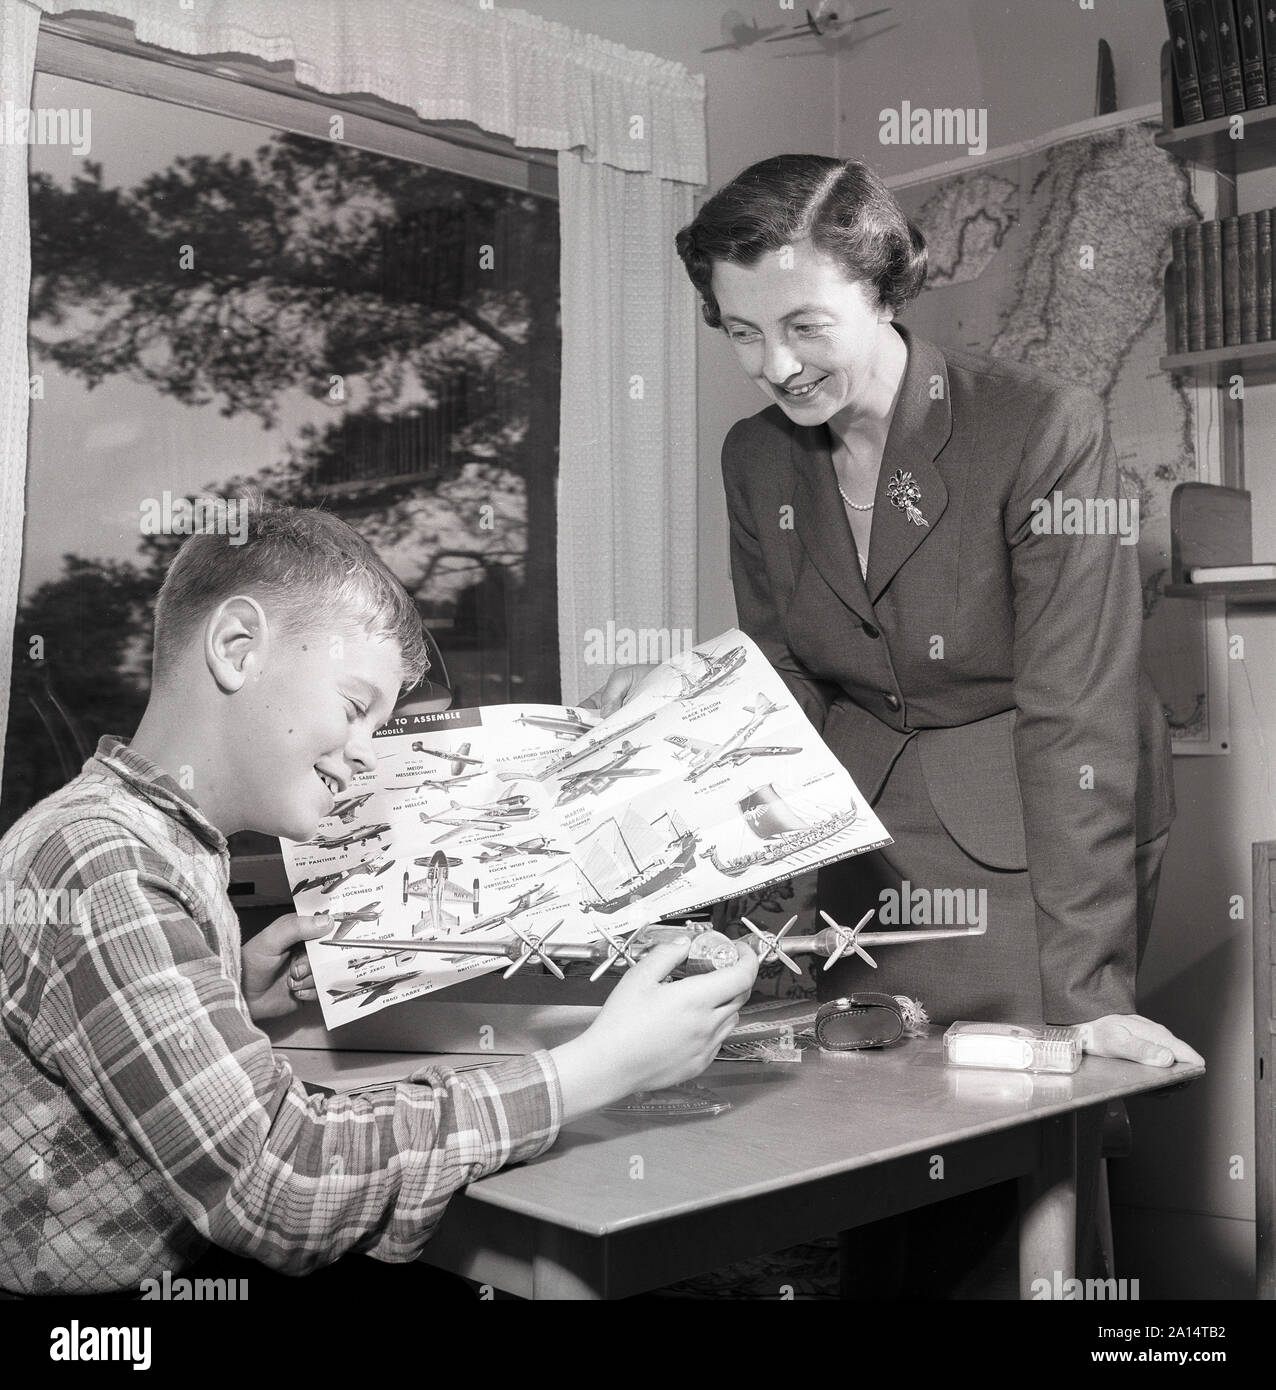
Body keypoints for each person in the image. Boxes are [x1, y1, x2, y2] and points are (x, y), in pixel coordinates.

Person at [0, 501, 757, 1297]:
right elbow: (279, 1184)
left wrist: (230, 999)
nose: (365, 756)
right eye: (356, 708)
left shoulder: (146, 840)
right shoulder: (103, 862)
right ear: (236, 647)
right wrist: (598, 1068)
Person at [590, 154, 1199, 1071]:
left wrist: (1086, 996)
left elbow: (1076, 712)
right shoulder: (755, 457)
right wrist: (684, 705)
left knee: (1033, 1093)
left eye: (804, 325)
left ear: (882, 289)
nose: (776, 366)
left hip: (1042, 819)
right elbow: (787, 670)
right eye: (744, 333)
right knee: (870, 1089)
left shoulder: (1042, 428)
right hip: (873, 829)